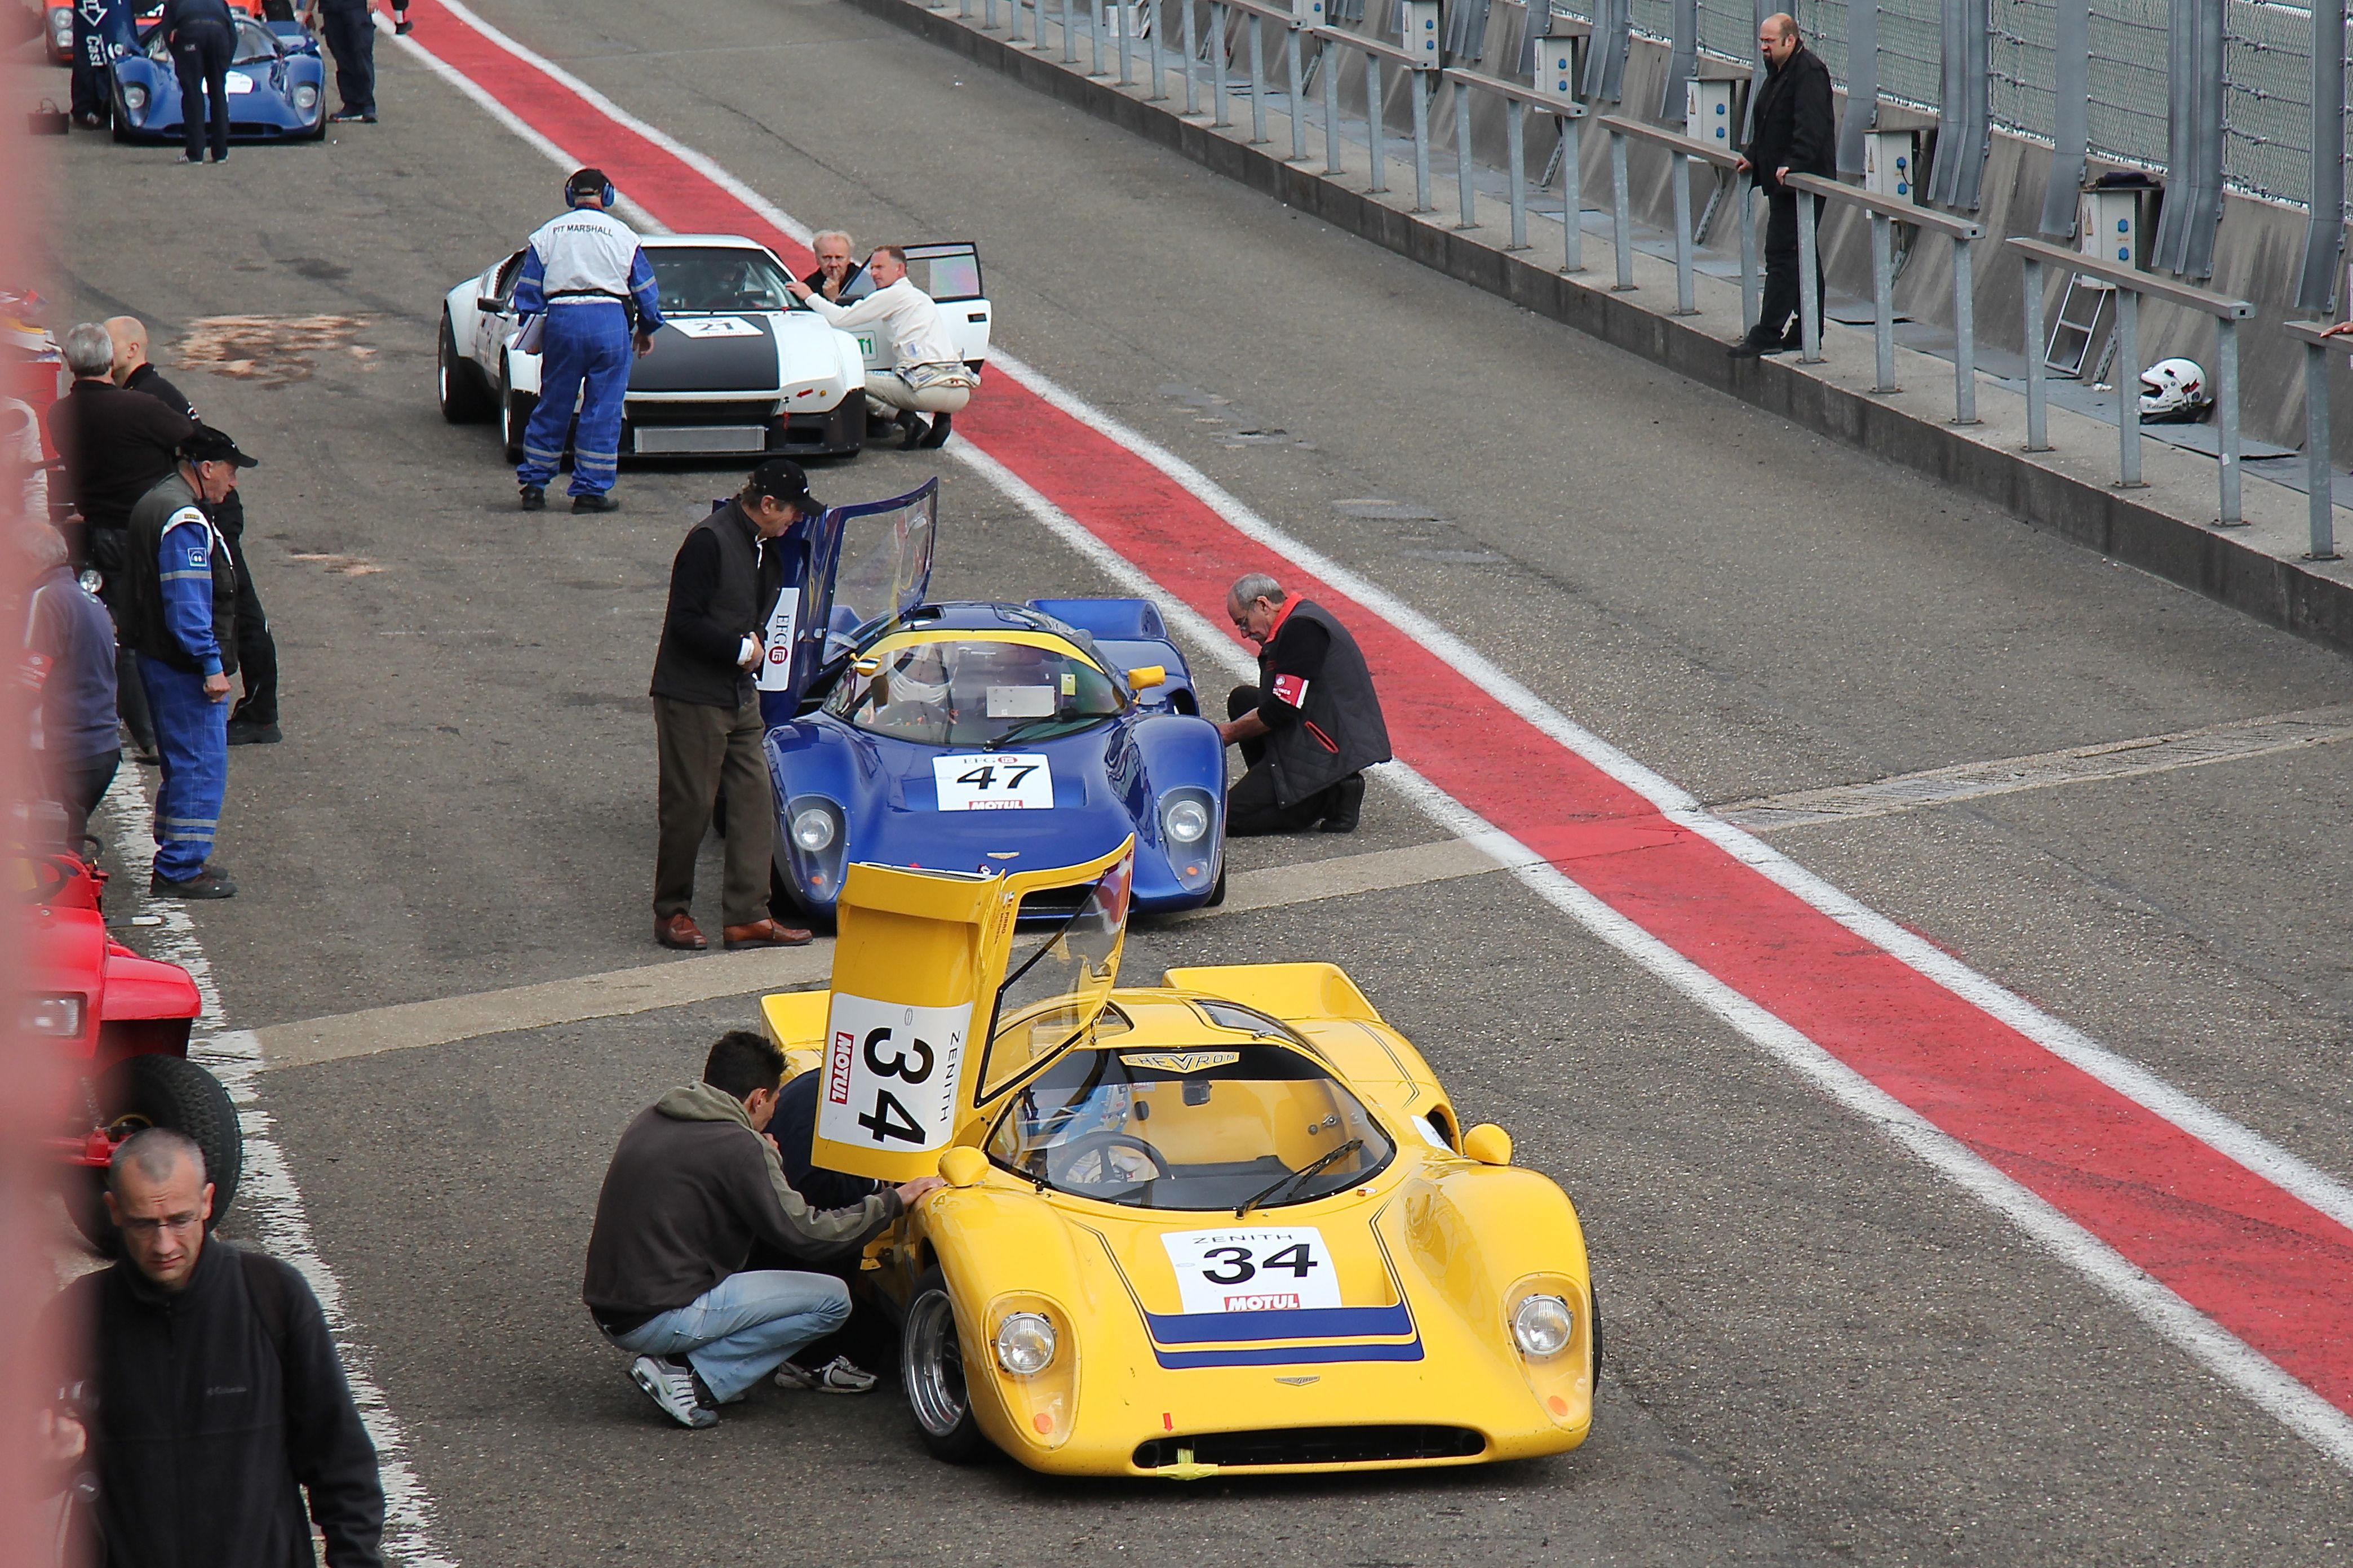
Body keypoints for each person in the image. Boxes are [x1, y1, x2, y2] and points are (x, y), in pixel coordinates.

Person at [40, 1129, 385, 1565]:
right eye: (146, 1223)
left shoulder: (274, 1297)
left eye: (179, 1219)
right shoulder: (75, 1317)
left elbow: (340, 1457)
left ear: (207, 1201)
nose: (164, 1244)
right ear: (114, 1211)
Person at [582, 1032, 943, 1428]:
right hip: (658, 1315)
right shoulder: (740, 1149)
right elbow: (808, 1234)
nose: (773, 1112)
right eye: (773, 1102)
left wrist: (756, 1149)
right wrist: (894, 1200)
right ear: (757, 1098)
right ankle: (687, 1370)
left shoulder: (656, 1115)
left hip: (611, 1306)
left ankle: (693, 1371)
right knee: (833, 1300)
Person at [650, 459, 816, 950]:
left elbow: (752, 611)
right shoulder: (709, 541)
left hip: (739, 696)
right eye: (792, 512)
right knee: (691, 808)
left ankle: (747, 914)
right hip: (693, 698)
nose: (796, 520)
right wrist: (741, 650)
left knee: (753, 799)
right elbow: (683, 621)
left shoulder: (764, 546)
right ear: (767, 505)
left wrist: (756, 639)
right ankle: (671, 912)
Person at [108, 314, 283, 743]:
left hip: (212, 505)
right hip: (200, 501)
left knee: (239, 607)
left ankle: (261, 712)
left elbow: (202, 448)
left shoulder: (151, 396)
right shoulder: (143, 393)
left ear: (132, 350)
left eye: (106, 342)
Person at [46, 320, 196, 764]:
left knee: (115, 631)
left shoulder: (60, 414)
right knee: (162, 622)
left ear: (70, 365)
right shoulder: (142, 409)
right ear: (111, 361)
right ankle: (165, 725)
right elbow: (192, 440)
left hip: (99, 532)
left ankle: (135, 727)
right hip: (149, 530)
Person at [118, 424, 254, 899]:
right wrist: (211, 665)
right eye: (231, 473)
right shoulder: (185, 520)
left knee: (182, 762)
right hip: (182, 665)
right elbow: (188, 603)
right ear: (208, 467)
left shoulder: (160, 499)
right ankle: (180, 867)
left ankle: (178, 853)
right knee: (200, 763)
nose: (232, 484)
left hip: (157, 656)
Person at [512, 168, 665, 512]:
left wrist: (534, 331)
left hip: (562, 320)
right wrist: (648, 327)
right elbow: (646, 290)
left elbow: (529, 291)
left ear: (571, 196)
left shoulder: (548, 234)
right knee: (602, 409)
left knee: (553, 402)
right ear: (607, 195)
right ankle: (590, 492)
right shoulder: (623, 235)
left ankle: (534, 485)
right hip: (609, 321)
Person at [1217, 572, 1390, 835]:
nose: (1244, 633)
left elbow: (1281, 710)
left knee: (1221, 821)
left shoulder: (1302, 630)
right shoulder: (1297, 619)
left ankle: (1325, 797)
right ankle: (1282, 785)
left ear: (1263, 605)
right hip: (1319, 731)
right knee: (1243, 699)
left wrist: (1227, 734)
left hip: (1324, 750)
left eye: (1243, 623)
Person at [788, 245, 973, 450]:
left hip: (927, 391)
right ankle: (942, 421)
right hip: (959, 391)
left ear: (900, 269)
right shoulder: (921, 298)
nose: (873, 274)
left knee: (851, 381)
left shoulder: (892, 294)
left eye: (879, 268)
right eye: (872, 268)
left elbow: (842, 318)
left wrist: (810, 296)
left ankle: (909, 422)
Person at [1729, 14, 1835, 358]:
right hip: (1783, 182)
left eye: (1770, 42)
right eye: (1762, 41)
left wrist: (1795, 162)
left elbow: (1811, 125)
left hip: (1800, 183)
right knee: (1801, 255)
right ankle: (1807, 330)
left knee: (1783, 253)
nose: (1764, 47)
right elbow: (1768, 123)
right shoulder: (1779, 73)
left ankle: (1768, 331)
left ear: (1790, 40)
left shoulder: (1808, 72)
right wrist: (1754, 156)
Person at [20, 522, 121, 846]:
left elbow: (26, 684)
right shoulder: (84, 597)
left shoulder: (44, 600)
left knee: (51, 852)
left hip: (64, 752)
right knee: (66, 844)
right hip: (100, 748)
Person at [161, 0, 237, 164]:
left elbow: (167, 32)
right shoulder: (220, 2)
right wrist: (225, 63)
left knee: (193, 93)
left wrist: (180, 58)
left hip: (190, 33)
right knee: (218, 92)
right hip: (219, 35)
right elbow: (233, 34)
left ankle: (195, 154)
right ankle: (221, 153)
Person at [307, 0, 379, 123]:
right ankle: (351, 104)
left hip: (355, 7)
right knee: (341, 57)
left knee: (361, 54)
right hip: (331, 9)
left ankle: (367, 104)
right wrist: (307, 10)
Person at [69, 0, 137, 128]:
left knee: (117, 50)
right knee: (89, 54)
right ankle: (85, 109)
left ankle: (114, 104)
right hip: (91, 11)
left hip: (116, 11)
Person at [802, 229, 861, 303]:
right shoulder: (809, 288)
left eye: (839, 258)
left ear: (849, 259)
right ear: (817, 259)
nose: (833, 264)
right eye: (827, 258)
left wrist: (834, 299)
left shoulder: (863, 281)